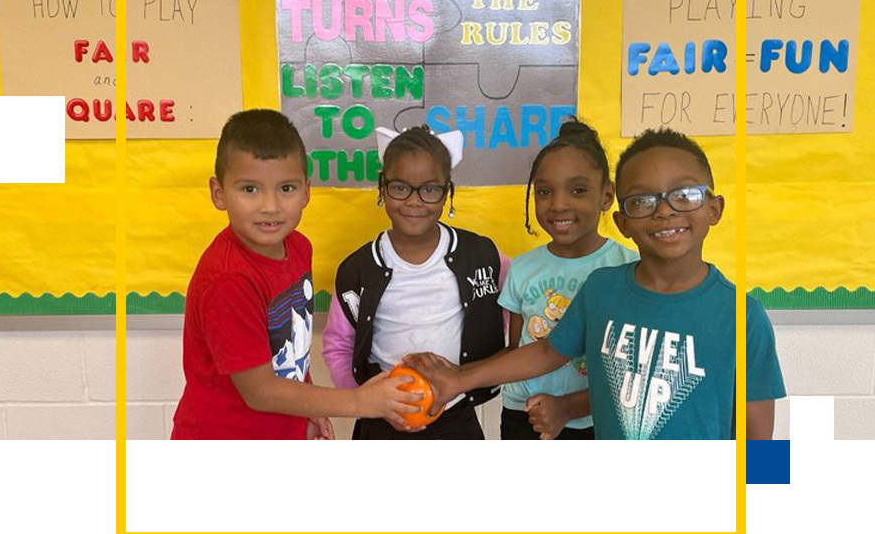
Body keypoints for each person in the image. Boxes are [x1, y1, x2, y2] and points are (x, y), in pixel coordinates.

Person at [407, 128, 786, 440]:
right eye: (642, 201)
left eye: (684, 195)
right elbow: (544, 353)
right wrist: (459, 378)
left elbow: (758, 436)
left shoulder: (742, 316)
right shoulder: (602, 289)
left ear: (714, 208)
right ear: (622, 221)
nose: (665, 209)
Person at [171, 109, 420, 440]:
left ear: (306, 190)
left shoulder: (299, 247)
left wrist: (312, 407)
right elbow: (259, 391)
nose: (270, 206)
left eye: (286, 188)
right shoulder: (229, 280)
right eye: (250, 189)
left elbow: (290, 342)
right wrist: (359, 401)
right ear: (219, 193)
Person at [322, 125, 508, 439]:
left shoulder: (481, 255)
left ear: (448, 191)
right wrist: (366, 400)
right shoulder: (358, 269)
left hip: (456, 417)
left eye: (430, 189)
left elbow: (509, 314)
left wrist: (468, 377)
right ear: (382, 187)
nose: (414, 201)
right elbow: (338, 346)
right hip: (380, 421)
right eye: (400, 187)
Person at [497, 117, 638, 440]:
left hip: (595, 419)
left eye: (577, 190)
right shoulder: (522, 269)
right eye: (544, 191)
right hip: (524, 415)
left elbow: (631, 375)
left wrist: (569, 407)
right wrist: (453, 376)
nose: (558, 204)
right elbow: (516, 351)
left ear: (606, 196)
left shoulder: (628, 268)